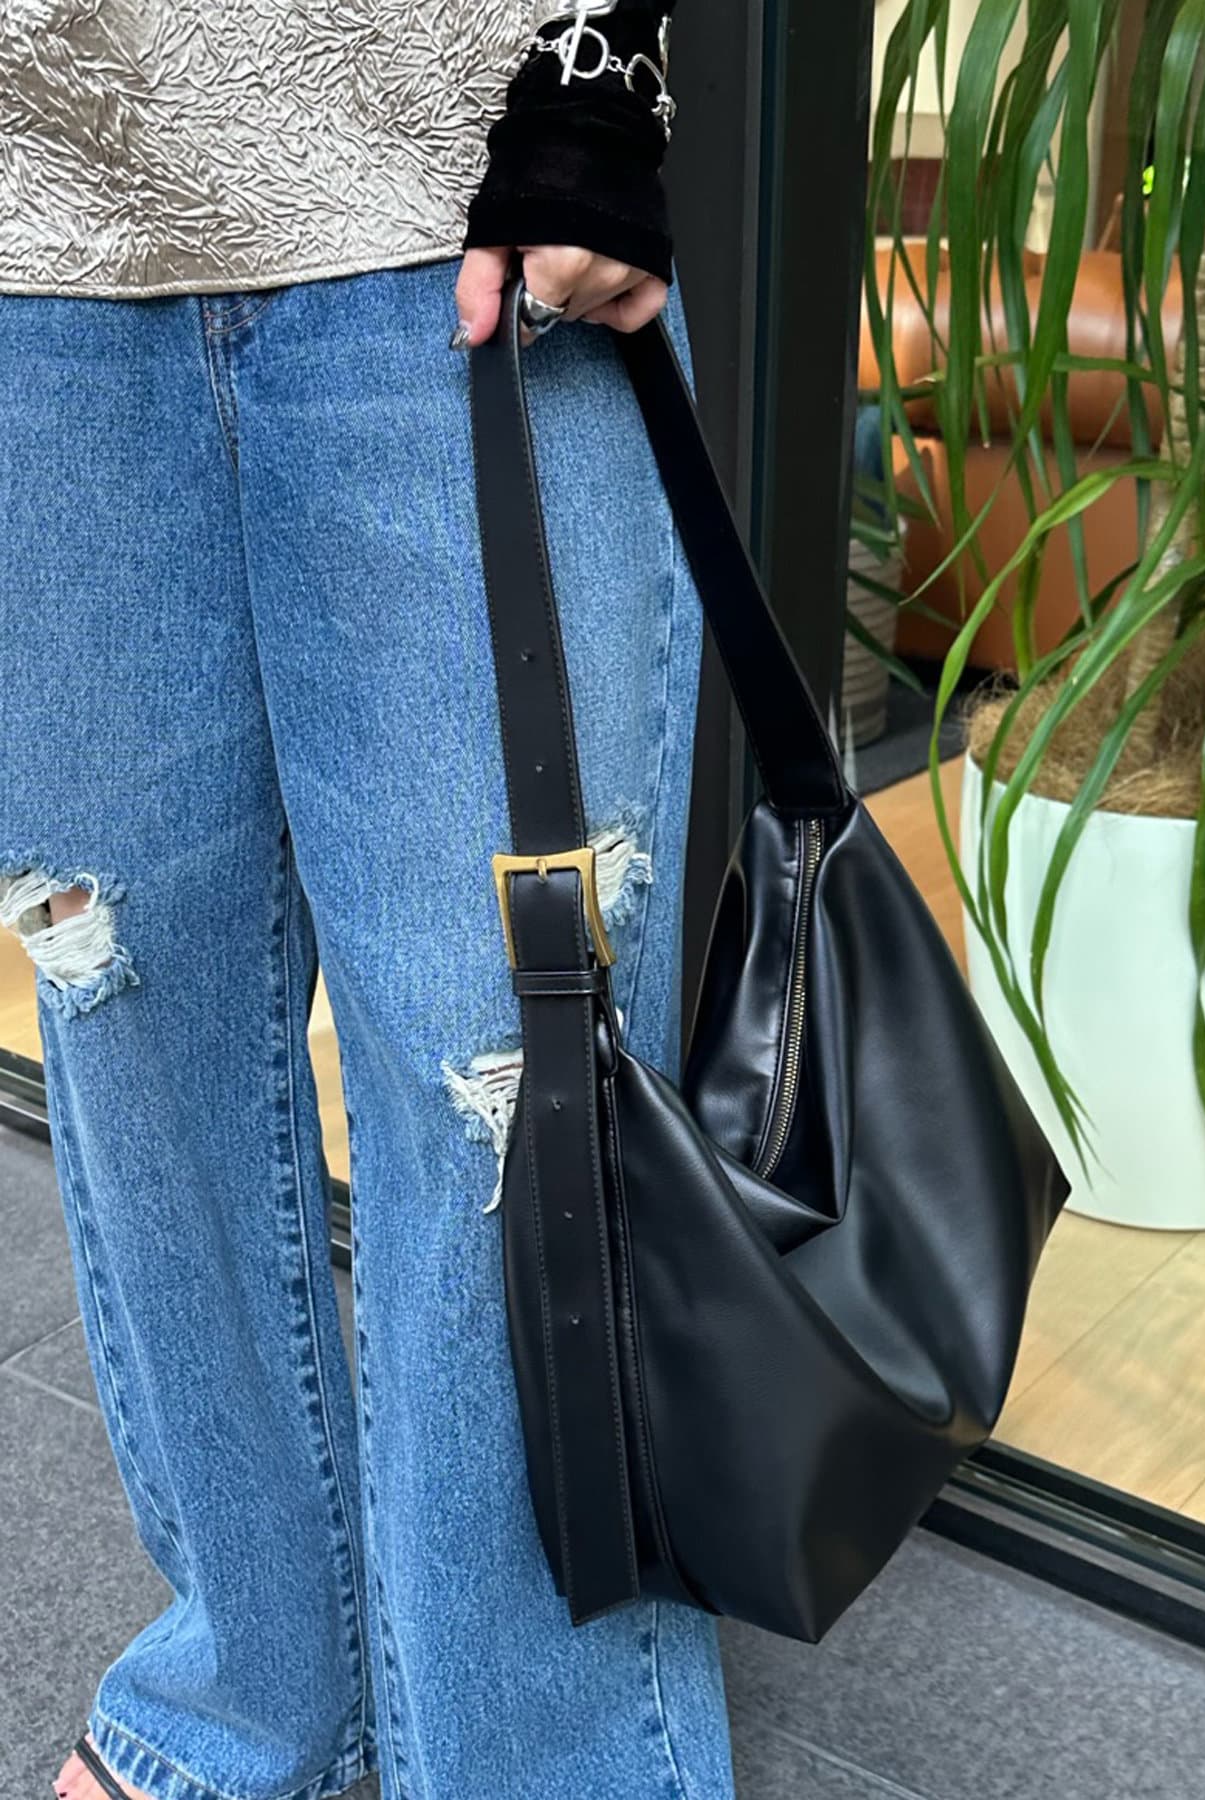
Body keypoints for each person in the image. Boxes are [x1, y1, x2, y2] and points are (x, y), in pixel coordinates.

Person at [0, 4, 736, 1797]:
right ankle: (248, 1704)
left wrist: (601, 80)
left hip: (448, 205)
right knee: (132, 1020)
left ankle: (546, 1766)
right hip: (33, 248)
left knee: (508, 1074)